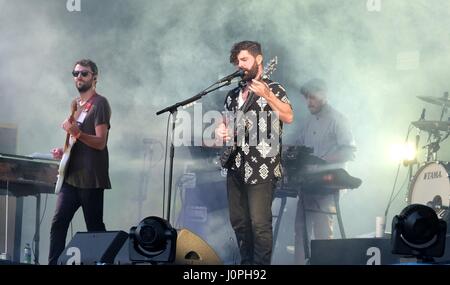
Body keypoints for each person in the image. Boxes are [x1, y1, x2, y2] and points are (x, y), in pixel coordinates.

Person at [215, 41, 293, 265]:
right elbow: (226, 124)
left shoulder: (274, 88)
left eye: (244, 60)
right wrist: (222, 129)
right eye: (237, 61)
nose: (240, 65)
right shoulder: (232, 95)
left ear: (259, 60)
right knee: (239, 222)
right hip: (235, 166)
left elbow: (288, 116)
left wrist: (268, 96)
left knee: (260, 224)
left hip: (263, 167)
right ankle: (246, 266)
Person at [48, 59, 112, 265]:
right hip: (71, 177)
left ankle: (103, 262)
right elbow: (76, 140)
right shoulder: (76, 104)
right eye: (75, 74)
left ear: (95, 77)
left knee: (94, 229)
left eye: (84, 73)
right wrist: (64, 151)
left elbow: (101, 142)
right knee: (58, 224)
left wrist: (76, 132)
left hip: (91, 178)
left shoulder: (100, 104)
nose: (79, 77)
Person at [294, 78, 356, 265]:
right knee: (300, 230)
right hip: (308, 183)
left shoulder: (338, 119)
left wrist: (322, 161)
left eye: (312, 97)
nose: (309, 102)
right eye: (307, 98)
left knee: (322, 233)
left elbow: (350, 152)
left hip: (328, 184)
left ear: (324, 95)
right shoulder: (307, 121)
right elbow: (298, 147)